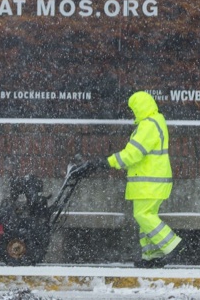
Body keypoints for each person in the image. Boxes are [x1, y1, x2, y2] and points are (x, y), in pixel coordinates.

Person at [75, 90, 183, 267]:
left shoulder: (149, 125)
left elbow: (133, 153)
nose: (132, 113)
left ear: (140, 107)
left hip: (149, 181)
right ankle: (151, 255)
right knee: (146, 218)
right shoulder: (156, 122)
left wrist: (107, 162)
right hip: (152, 181)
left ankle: (172, 244)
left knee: (142, 215)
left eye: (133, 109)